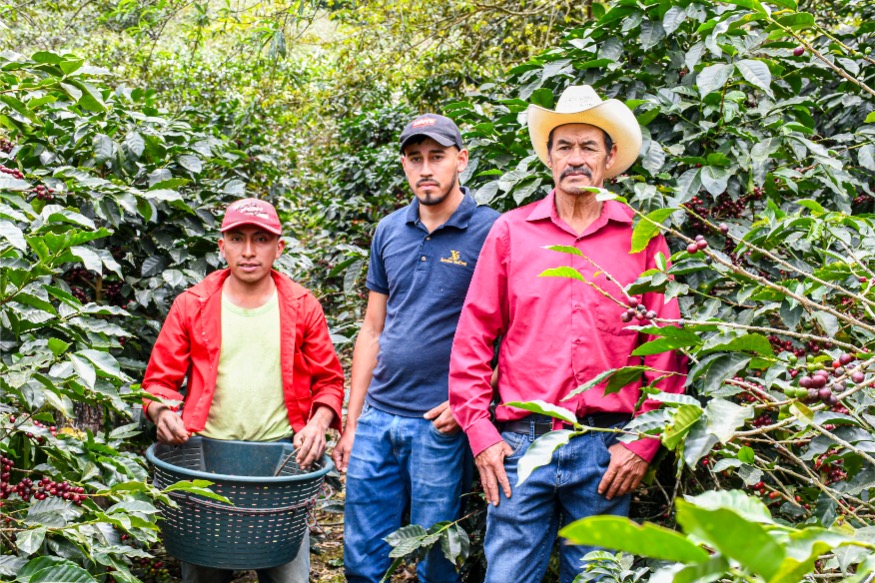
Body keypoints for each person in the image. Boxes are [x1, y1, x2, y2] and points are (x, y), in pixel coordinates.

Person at [448, 85, 687, 583]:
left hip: (607, 447)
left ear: (609, 157)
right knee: (508, 575)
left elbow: (666, 347)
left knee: (597, 577)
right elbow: (474, 334)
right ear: (550, 157)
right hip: (519, 446)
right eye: (564, 147)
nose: (575, 159)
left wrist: (642, 443)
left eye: (588, 147)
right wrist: (481, 433)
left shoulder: (643, 235)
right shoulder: (512, 232)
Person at [332, 114, 500, 583]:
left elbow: (514, 331)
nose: (425, 169)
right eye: (415, 159)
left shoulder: (491, 231)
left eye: (437, 157)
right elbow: (372, 328)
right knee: (362, 557)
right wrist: (353, 421)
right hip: (377, 417)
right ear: (404, 165)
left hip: (438, 422)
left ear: (461, 160)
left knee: (437, 560)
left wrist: (470, 400)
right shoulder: (389, 230)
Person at [141, 197, 344, 583]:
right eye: (237, 238)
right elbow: (158, 382)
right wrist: (161, 411)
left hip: (280, 461)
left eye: (261, 239)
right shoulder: (192, 304)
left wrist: (318, 423)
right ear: (222, 245)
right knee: (203, 571)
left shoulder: (302, 306)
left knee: (287, 574)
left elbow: (329, 380)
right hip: (205, 457)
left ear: (278, 247)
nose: (249, 251)